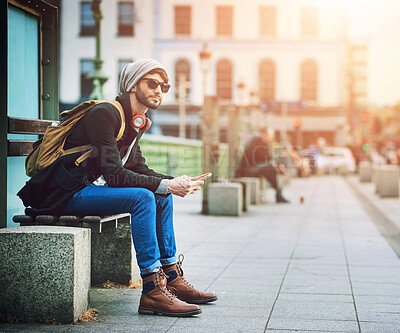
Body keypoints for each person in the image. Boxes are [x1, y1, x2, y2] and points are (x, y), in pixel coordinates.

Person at [18, 59, 217, 317]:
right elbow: (114, 175)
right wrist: (166, 185)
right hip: (64, 194)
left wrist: (176, 182)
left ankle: (171, 277)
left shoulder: (134, 121)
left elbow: (138, 168)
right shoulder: (106, 114)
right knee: (145, 197)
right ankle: (152, 289)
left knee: (161, 196)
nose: (159, 90)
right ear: (133, 86)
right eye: (153, 83)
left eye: (164, 86)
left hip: (85, 190)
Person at [235, 127, 290, 203]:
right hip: (248, 170)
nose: (270, 138)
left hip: (255, 168)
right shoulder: (257, 143)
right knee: (271, 167)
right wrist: (278, 166)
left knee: (272, 169)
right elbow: (267, 159)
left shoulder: (263, 144)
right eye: (269, 135)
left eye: (271, 136)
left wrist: (278, 165)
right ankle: (278, 195)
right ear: (263, 134)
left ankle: (278, 194)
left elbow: (269, 158)